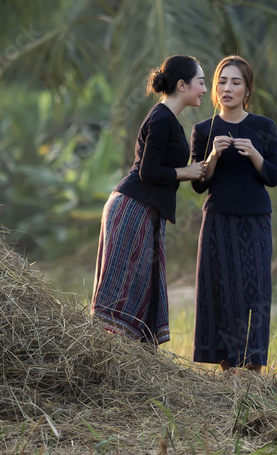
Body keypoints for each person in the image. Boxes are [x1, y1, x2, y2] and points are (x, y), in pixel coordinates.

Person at [90, 55, 208, 346]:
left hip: (143, 210)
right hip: (133, 208)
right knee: (123, 285)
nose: (205, 90)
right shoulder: (161, 118)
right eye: (201, 82)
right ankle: (105, 354)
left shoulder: (169, 120)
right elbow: (149, 171)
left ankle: (131, 359)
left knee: (142, 284)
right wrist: (186, 172)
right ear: (182, 85)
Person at [190, 55, 277, 373]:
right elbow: (199, 185)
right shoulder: (204, 130)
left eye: (235, 82)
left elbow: (273, 176)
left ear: (247, 89)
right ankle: (227, 372)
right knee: (221, 292)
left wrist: (255, 154)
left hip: (256, 221)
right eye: (221, 82)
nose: (227, 88)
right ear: (214, 89)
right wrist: (213, 155)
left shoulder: (263, 127)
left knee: (256, 293)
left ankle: (255, 371)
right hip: (218, 222)